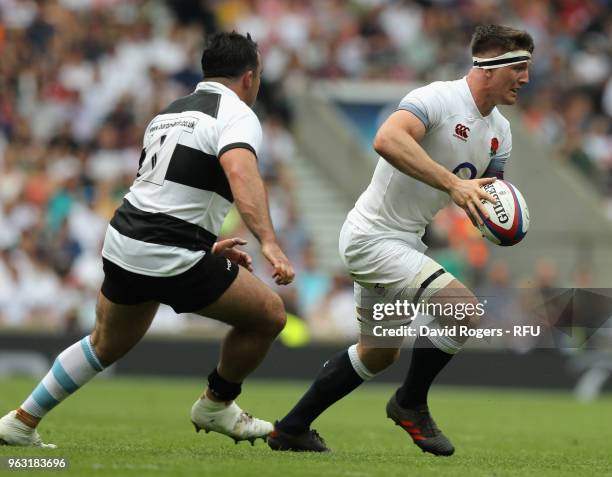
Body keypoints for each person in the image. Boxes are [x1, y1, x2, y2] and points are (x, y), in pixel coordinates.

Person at [0, 31, 295, 448]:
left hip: (126, 239)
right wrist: (268, 241)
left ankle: (21, 420)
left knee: (104, 343)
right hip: (168, 249)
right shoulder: (237, 114)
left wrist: (207, 246)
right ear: (249, 77)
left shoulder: (169, 113)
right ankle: (216, 403)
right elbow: (242, 173)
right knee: (270, 316)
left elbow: (165, 192)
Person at [268, 24, 533, 455]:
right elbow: (386, 138)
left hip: (405, 243)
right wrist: (452, 184)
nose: (525, 78)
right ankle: (410, 402)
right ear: (489, 65)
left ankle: (291, 428)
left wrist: (497, 222)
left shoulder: (500, 132)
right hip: (372, 237)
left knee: (377, 354)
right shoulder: (438, 98)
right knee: (463, 312)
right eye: (518, 67)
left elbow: (488, 193)